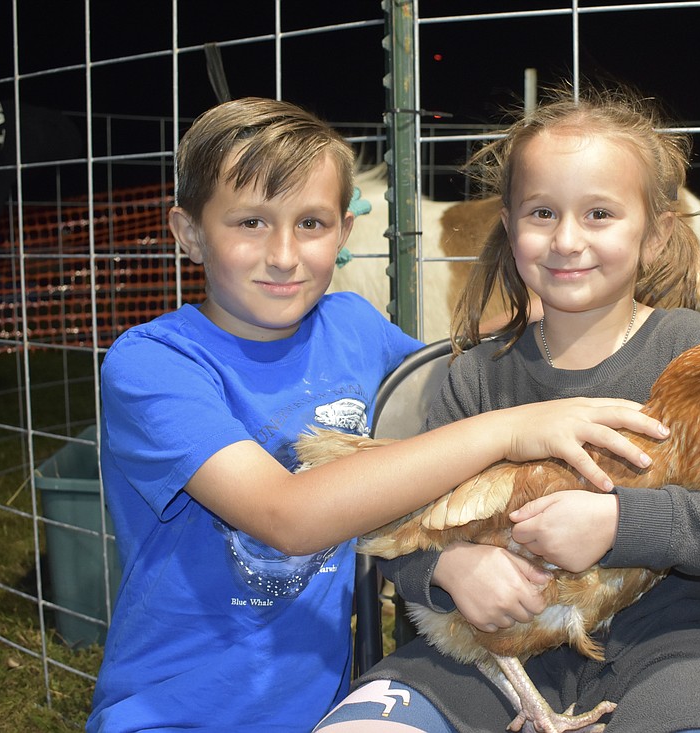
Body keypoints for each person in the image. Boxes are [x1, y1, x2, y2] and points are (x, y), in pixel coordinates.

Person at [85, 96, 669, 733]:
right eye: (251, 222)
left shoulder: (353, 328)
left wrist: (566, 304)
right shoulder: (154, 364)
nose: (283, 254)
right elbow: (286, 518)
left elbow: (450, 380)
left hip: (326, 707)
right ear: (189, 233)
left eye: (311, 224)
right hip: (175, 712)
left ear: (344, 233)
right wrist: (507, 430)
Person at [316, 85, 700, 733]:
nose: (568, 239)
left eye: (599, 213)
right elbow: (402, 519)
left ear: (656, 234)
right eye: (543, 213)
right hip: (487, 655)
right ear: (509, 226)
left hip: (667, 648)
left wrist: (620, 522)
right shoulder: (477, 375)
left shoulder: (695, 352)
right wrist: (447, 568)